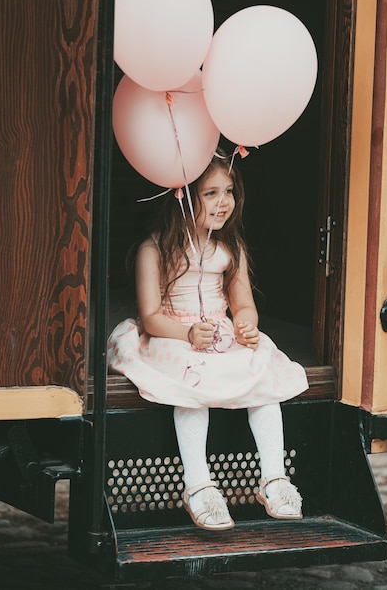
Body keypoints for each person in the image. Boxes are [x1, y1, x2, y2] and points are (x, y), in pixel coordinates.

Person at [107, 150, 309, 531]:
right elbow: (150, 317)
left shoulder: (230, 248)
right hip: (172, 335)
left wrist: (246, 324)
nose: (224, 202)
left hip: (218, 334)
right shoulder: (153, 249)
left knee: (261, 376)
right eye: (211, 193)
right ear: (183, 197)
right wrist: (185, 333)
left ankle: (274, 478)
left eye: (229, 191)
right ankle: (199, 485)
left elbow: (243, 305)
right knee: (191, 385)